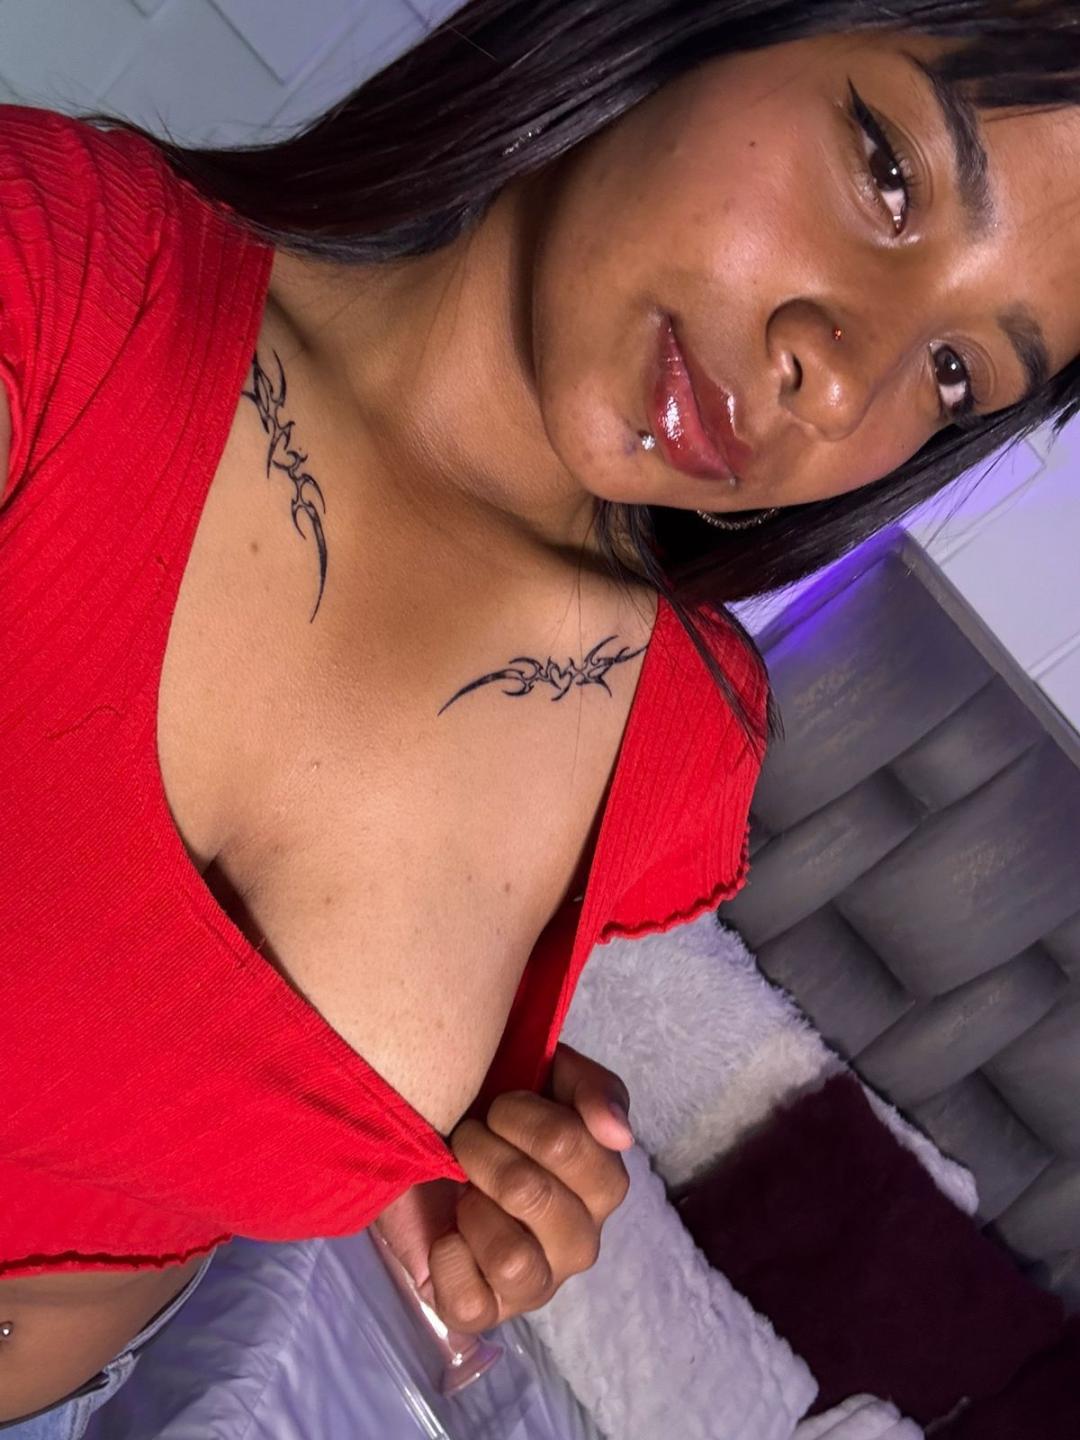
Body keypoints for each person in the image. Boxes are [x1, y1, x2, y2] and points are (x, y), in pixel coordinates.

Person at [3, 0, 1080, 1432]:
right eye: (891, 170)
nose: (841, 380)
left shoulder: (677, 744)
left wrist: (466, 1158)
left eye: (954, 373)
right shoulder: (59, 273)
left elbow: (162, 1051)